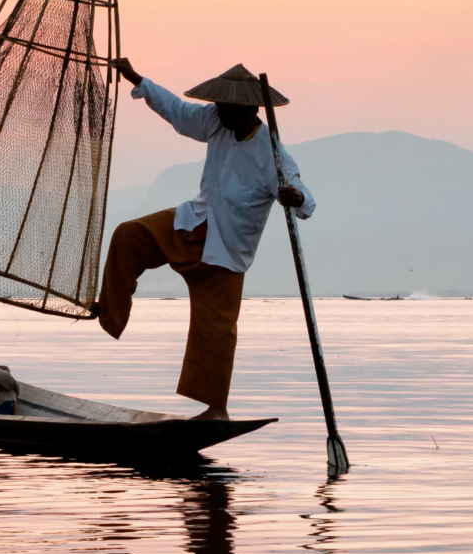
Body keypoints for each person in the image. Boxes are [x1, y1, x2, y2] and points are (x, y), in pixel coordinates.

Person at [94, 61, 314, 420]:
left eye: (225, 107)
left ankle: (217, 410)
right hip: (191, 224)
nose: (218, 111)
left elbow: (303, 195)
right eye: (218, 105)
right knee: (129, 236)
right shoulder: (216, 121)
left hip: (225, 253)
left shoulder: (272, 155)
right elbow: (178, 111)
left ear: (248, 110)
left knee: (216, 332)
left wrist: (297, 197)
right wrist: (138, 80)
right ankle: (110, 313)